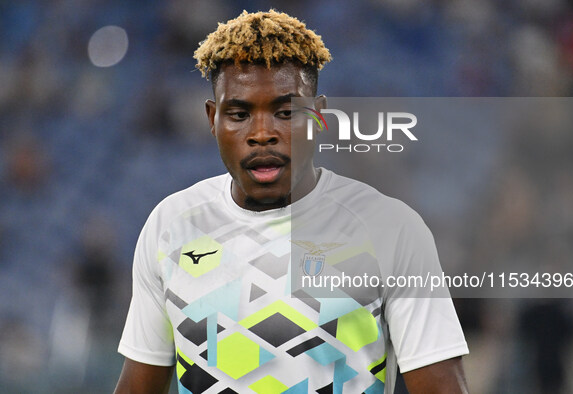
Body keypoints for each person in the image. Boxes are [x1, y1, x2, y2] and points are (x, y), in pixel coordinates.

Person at [114, 10, 469, 394]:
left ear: (318, 116)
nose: (262, 133)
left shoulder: (391, 228)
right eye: (239, 114)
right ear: (212, 119)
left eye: (285, 112)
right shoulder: (171, 225)